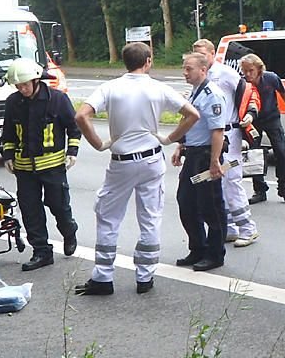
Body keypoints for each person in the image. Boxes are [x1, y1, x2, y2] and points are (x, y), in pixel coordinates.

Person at [74, 42, 198, 296]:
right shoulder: (158, 88)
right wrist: (170, 138)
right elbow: (193, 114)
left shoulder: (110, 88)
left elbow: (81, 116)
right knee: (150, 217)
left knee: (109, 216)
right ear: (148, 61)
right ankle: (145, 277)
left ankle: (103, 277)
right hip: (152, 160)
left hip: (122, 161)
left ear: (125, 62)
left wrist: (99, 144)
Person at [0, 59, 80, 272]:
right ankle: (42, 252)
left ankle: (69, 230)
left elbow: (74, 128)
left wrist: (72, 152)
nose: (22, 89)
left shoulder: (57, 100)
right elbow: (8, 133)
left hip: (53, 167)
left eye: (25, 84)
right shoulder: (13, 102)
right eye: (18, 85)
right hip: (24, 169)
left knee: (58, 206)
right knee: (30, 210)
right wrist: (8, 155)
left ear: (36, 80)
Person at [190, 38, 258, 247]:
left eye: (203, 54)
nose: (200, 58)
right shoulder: (200, 76)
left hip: (229, 135)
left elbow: (248, 93)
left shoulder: (225, 73)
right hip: (211, 137)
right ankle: (229, 226)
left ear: (212, 54)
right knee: (215, 181)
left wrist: (248, 117)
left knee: (231, 179)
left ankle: (248, 228)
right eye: (196, 54)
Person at [173, 51, 229, 272]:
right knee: (186, 202)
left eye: (189, 69)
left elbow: (218, 132)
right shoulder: (195, 92)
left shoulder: (212, 94)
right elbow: (190, 123)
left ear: (203, 70)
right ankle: (198, 248)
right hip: (193, 153)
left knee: (211, 206)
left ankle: (215, 254)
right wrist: (181, 145)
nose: (185, 73)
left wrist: (215, 161)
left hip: (206, 156)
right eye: (184, 68)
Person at [237, 53, 285, 204]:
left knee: (281, 151)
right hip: (253, 121)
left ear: (259, 69)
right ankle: (260, 190)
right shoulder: (243, 83)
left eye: (251, 70)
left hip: (272, 118)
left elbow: (283, 91)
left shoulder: (270, 78)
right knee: (254, 154)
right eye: (245, 71)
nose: (248, 74)